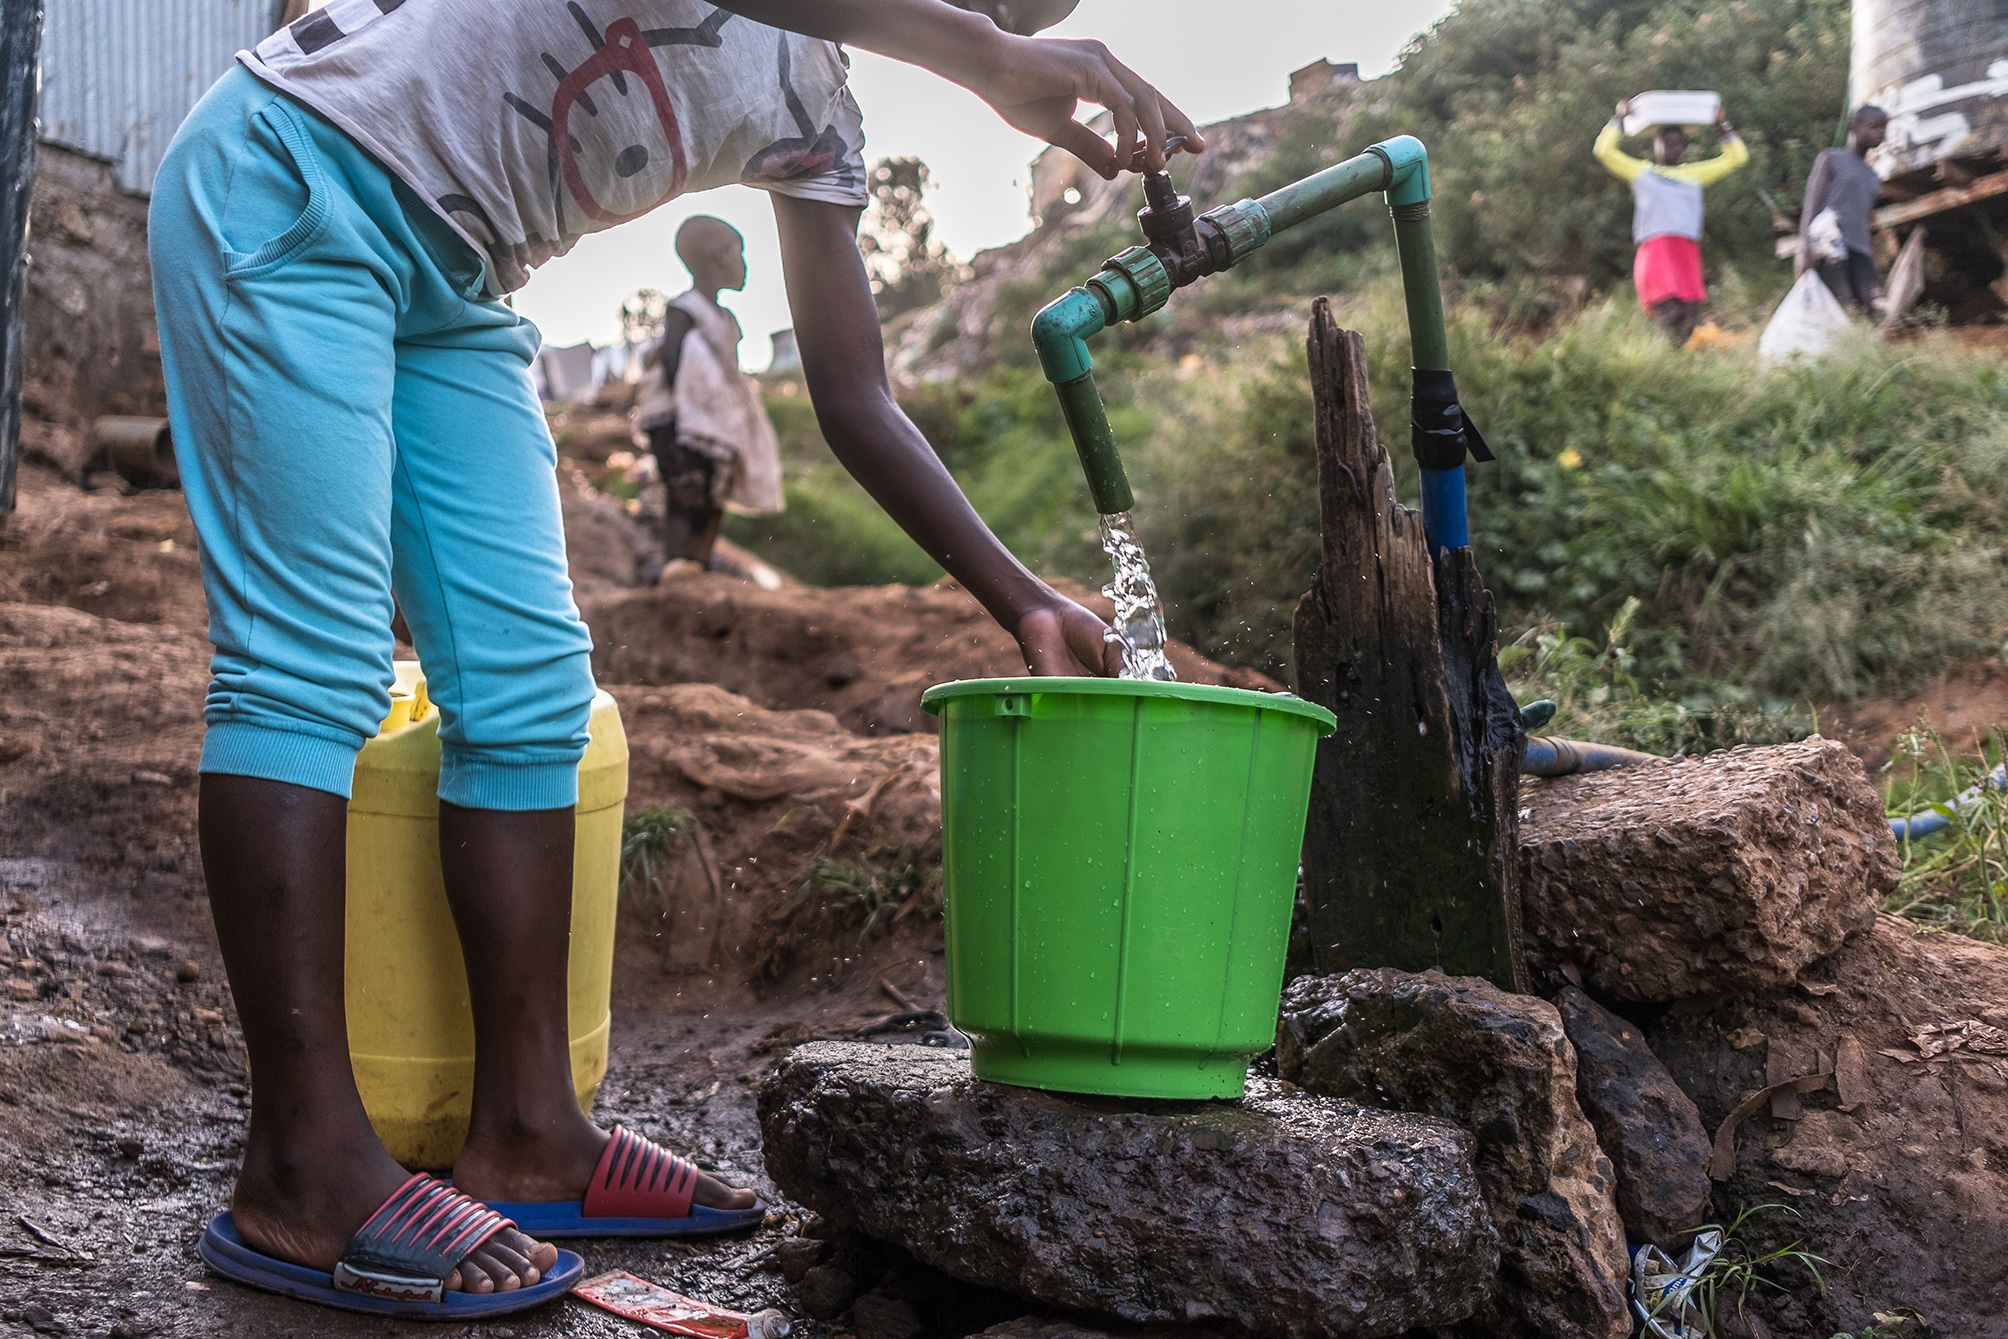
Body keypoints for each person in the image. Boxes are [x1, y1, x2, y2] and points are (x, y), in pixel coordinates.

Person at [148, 0, 1200, 1317]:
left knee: (533, 692)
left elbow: (855, 393)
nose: (1002, 18)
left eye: (1024, 12)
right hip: (296, 173)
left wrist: (1024, 599)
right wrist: (984, 60)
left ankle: (528, 1126)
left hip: (456, 278)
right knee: (311, 667)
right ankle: (301, 1168)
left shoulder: (821, 113)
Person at [635, 216, 782, 575]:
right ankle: (673, 568)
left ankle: (698, 565)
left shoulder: (727, 319)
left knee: (713, 495)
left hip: (713, 422)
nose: (744, 264)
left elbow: (726, 376)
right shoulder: (685, 308)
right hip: (676, 418)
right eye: (738, 254)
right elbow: (675, 364)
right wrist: (695, 412)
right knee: (685, 492)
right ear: (717, 256)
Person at [1595, 100, 1749, 345]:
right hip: (1656, 251)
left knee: (1688, 318)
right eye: (1666, 143)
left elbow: (1738, 158)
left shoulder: (1694, 175)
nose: (1672, 148)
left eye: (1678, 144)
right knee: (1670, 313)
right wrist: (1619, 119)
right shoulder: (1642, 173)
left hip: (1686, 253)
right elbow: (1603, 151)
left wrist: (1722, 126)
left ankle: (1666, 370)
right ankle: (1652, 367)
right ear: (1655, 146)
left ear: (1685, 148)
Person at [1799, 106, 1890, 315]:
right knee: (1843, 306)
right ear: (1853, 127)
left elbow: (1864, 220)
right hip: (1829, 247)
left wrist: (1871, 256)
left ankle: (1865, 345)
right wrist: (1805, 246)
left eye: (1884, 127)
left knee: (1876, 305)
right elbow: (1811, 204)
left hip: (1860, 250)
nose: (1880, 132)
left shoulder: (1873, 177)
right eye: (1874, 126)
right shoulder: (1831, 159)